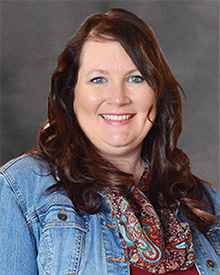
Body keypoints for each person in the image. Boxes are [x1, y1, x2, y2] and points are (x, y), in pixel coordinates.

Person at [0, 8, 219, 275]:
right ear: (71, 94)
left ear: (157, 94)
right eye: (98, 79)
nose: (118, 97)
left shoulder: (202, 201)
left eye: (135, 78)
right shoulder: (21, 188)